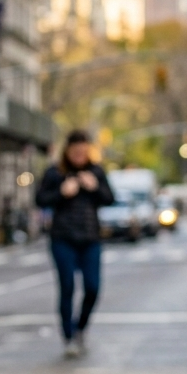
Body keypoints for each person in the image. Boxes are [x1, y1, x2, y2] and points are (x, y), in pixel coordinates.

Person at [35, 129, 114, 359]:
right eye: (75, 151)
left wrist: (94, 187)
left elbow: (110, 198)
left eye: (83, 151)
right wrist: (61, 192)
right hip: (63, 238)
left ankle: (81, 328)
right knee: (67, 287)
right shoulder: (55, 173)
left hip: (90, 239)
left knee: (92, 287)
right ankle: (69, 337)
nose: (79, 155)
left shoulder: (96, 172)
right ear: (67, 151)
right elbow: (40, 199)